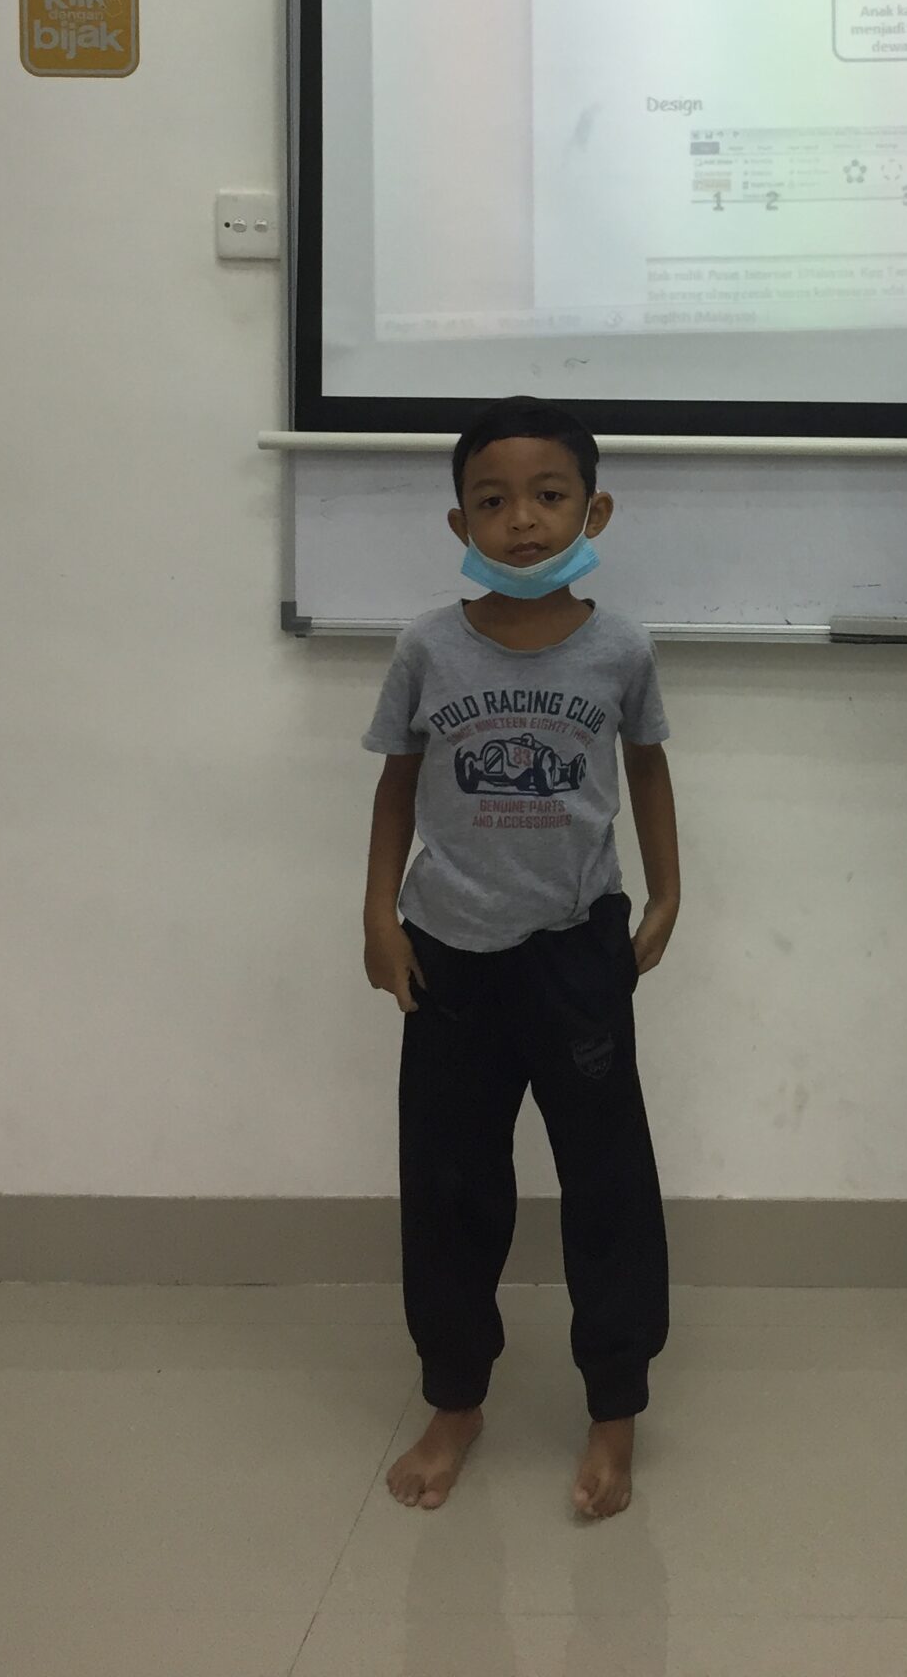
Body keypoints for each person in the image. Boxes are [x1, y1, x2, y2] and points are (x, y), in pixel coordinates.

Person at [361, 395, 680, 1519]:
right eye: (493, 502)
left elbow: (648, 767)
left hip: (576, 953)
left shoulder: (622, 646)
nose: (524, 521)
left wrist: (669, 890)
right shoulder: (427, 647)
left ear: (595, 509)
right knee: (451, 1190)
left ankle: (615, 1408)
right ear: (462, 524)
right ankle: (456, 1399)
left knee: (608, 1184)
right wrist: (378, 915)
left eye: (549, 496)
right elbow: (397, 784)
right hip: (449, 957)